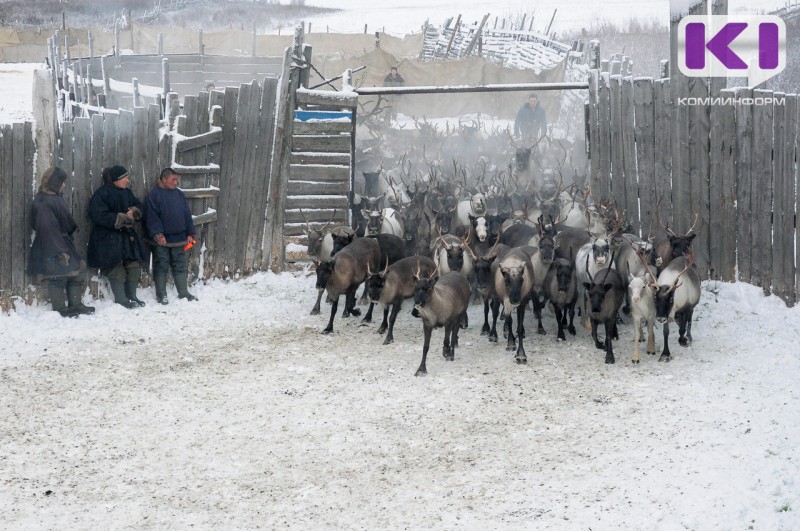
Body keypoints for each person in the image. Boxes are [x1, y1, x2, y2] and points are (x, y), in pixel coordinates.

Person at [28, 167, 95, 317]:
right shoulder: (44, 201)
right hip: (51, 244)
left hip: (62, 241)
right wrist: (59, 251)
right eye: (61, 182)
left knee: (77, 272)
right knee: (57, 277)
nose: (64, 185)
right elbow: (47, 228)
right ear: (53, 182)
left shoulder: (54, 197)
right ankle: (61, 310)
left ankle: (76, 305)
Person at [87, 165, 147, 309]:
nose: (127, 180)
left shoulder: (127, 193)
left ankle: (132, 296)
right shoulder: (102, 194)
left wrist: (135, 211)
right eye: (124, 178)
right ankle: (121, 300)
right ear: (115, 180)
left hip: (127, 238)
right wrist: (120, 218)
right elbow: (97, 215)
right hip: (109, 239)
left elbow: (139, 205)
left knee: (134, 267)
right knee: (116, 269)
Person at [144, 167, 197, 304]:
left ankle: (183, 292)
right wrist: (158, 235)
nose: (176, 182)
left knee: (180, 265)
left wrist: (190, 233)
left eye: (177, 179)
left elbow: (186, 214)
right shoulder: (154, 195)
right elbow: (152, 217)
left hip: (180, 239)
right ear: (164, 179)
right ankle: (162, 295)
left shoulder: (179, 194)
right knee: (161, 266)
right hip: (163, 240)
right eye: (173, 179)